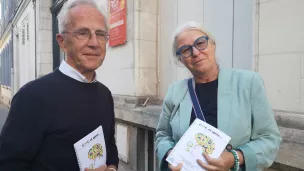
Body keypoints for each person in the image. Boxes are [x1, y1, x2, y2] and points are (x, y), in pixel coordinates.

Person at [0, 0, 119, 171]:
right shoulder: (32, 97)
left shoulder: (104, 94)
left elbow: (110, 147)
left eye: (100, 34)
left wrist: (112, 168)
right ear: (62, 41)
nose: (94, 43)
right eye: (83, 33)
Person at [154, 21, 282, 171]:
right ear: (180, 59)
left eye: (200, 43)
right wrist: (172, 155)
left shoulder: (248, 83)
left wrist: (234, 157)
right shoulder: (175, 91)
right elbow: (162, 135)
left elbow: (269, 138)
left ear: (213, 44)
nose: (195, 53)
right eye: (185, 50)